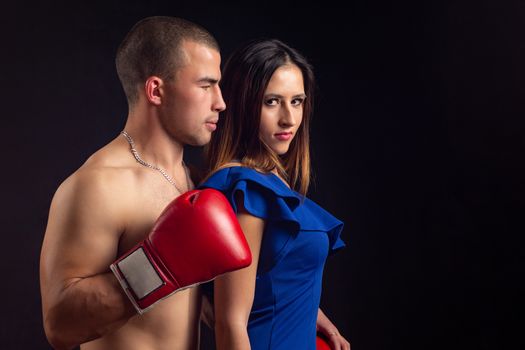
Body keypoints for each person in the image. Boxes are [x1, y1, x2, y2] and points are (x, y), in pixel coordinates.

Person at [39, 16, 233, 350]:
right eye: (205, 85)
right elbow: (60, 324)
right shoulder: (98, 185)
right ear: (156, 90)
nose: (220, 102)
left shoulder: (198, 182)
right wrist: (161, 265)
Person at [199, 39, 351, 350]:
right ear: (242, 105)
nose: (289, 119)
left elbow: (270, 281)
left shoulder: (268, 180)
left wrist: (314, 317)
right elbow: (230, 322)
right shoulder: (247, 190)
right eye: (271, 102)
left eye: (296, 101)